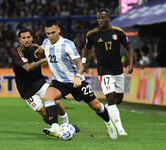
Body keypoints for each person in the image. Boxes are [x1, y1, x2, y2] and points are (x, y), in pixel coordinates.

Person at [35, 19, 117, 139]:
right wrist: (38, 51)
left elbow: (79, 63)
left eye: (53, 32)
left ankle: (109, 125)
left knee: (96, 106)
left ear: (58, 30)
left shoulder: (67, 44)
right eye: (48, 33)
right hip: (59, 82)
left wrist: (78, 77)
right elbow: (42, 48)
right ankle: (55, 127)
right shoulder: (46, 43)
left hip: (76, 81)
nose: (51, 36)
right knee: (48, 96)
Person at [11, 28, 79, 137]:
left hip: (40, 83)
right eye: (23, 38)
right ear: (19, 40)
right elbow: (28, 68)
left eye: (28, 37)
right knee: (44, 112)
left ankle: (67, 124)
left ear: (32, 38)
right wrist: (43, 60)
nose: (27, 40)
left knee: (56, 102)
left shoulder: (37, 49)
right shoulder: (17, 53)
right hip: (27, 90)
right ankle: (57, 130)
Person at [82, 8, 133, 136]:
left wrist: (131, 63)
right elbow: (86, 47)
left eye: (103, 18)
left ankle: (107, 109)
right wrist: (83, 61)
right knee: (110, 98)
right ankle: (120, 129)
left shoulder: (118, 32)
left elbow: (129, 48)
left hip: (118, 70)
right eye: (98, 18)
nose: (100, 20)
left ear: (108, 19)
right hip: (104, 71)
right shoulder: (92, 34)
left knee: (118, 99)